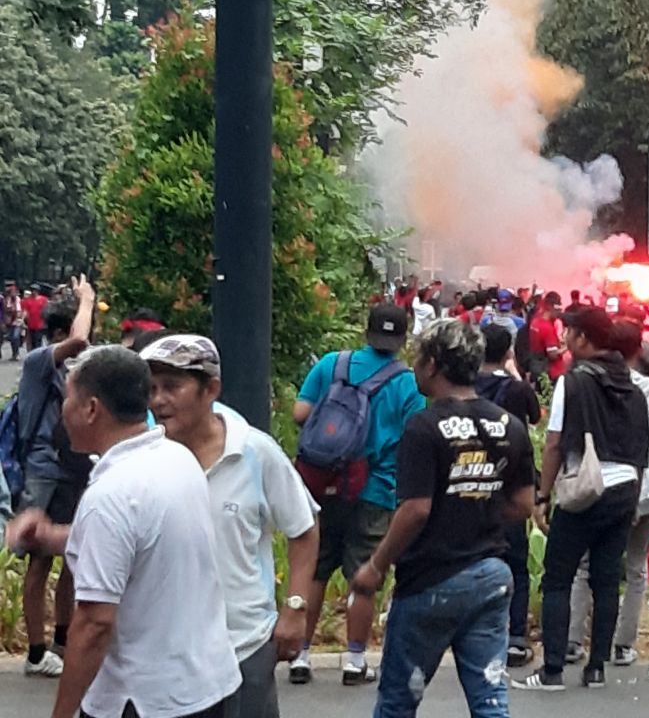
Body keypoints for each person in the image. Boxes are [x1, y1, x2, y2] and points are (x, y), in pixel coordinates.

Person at [6, 346, 240, 718]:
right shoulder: (175, 458)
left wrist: (62, 713)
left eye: (68, 398)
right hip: (202, 685)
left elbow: (95, 623)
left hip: (142, 700)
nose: (62, 411)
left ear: (91, 409)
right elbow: (139, 541)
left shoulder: (112, 494)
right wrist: (52, 538)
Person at [347, 320, 534, 717]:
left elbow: (415, 509)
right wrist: (477, 504)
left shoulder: (424, 426)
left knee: (398, 700)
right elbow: (522, 504)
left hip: (431, 579)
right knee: (489, 699)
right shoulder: (509, 425)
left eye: (418, 358)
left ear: (433, 365)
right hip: (491, 575)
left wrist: (376, 566)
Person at [141, 334, 319, 718]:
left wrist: (295, 608)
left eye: (172, 387)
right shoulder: (146, 457)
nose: (158, 400)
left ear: (211, 390)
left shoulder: (255, 452)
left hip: (243, 646)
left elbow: (303, 528)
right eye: (152, 388)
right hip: (165, 653)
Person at [514, 307, 649, 691]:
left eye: (569, 333)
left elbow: (554, 442)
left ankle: (553, 669)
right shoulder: (632, 386)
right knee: (606, 581)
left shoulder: (571, 384)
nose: (564, 339)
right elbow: (642, 444)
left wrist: (543, 494)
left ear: (584, 339)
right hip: (624, 490)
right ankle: (597, 668)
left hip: (584, 489)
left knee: (558, 577)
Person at [291, 304, 424, 686]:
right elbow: (412, 438)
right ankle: (353, 661)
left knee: (316, 569)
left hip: (320, 484)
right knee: (362, 575)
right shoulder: (407, 383)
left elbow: (301, 413)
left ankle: (300, 656)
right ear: (403, 338)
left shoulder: (334, 364)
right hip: (376, 488)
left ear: (365, 332)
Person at [566, 320, 649, 668]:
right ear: (639, 350)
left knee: (584, 565)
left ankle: (572, 640)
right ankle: (623, 645)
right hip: (643, 483)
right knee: (637, 568)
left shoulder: (587, 382)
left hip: (597, 479)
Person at [16, 275, 96, 677]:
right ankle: (34, 651)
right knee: (39, 560)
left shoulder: (76, 377)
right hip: (43, 469)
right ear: (59, 334)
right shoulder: (38, 362)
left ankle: (62, 641)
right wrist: (87, 299)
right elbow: (81, 342)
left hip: (74, 467)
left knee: (71, 557)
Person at [474, 324, 541, 667]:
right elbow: (536, 416)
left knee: (470, 559)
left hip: (468, 482)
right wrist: (514, 373)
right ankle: (515, 635)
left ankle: (474, 632)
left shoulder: (463, 386)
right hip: (512, 483)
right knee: (516, 563)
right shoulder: (516, 389)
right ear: (508, 351)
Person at [528, 291, 566, 382]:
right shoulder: (547, 327)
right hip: (551, 374)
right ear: (550, 307)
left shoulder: (535, 321)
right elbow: (553, 355)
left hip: (537, 368)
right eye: (557, 310)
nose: (558, 314)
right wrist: (567, 346)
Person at [4, 283, 23, 360]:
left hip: (17, 321)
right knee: (11, 338)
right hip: (10, 321)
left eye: (13, 292)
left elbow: (19, 311)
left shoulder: (18, 300)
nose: (12, 294)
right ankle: (14, 354)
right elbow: (6, 309)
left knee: (15, 337)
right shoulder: (7, 300)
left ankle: (17, 353)